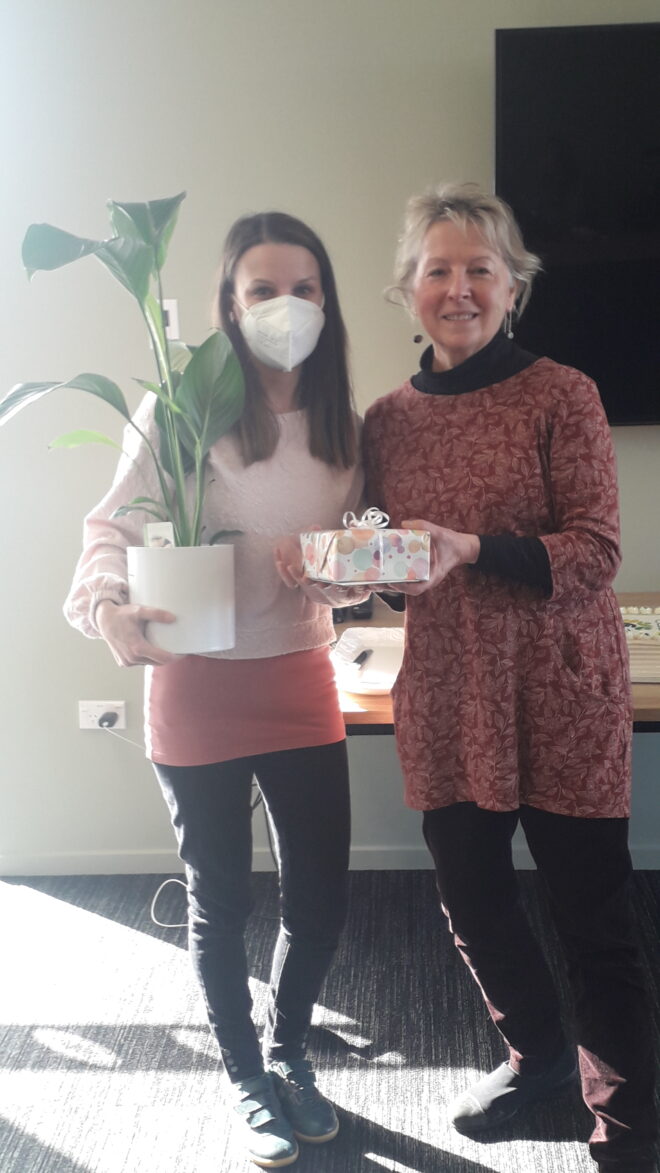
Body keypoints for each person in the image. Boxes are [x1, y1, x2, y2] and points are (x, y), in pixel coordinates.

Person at [362, 183, 658, 1173]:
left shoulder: (561, 394)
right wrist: (348, 571)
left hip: (560, 688)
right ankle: (536, 1062)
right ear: (407, 289)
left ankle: (625, 1127)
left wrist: (470, 545)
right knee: (473, 900)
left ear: (514, 285)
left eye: (480, 268)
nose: (459, 288)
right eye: (437, 270)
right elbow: (386, 558)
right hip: (447, 691)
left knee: (594, 921)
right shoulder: (385, 422)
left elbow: (595, 549)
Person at [64, 211, 366, 1170]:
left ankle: (289, 1052)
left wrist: (342, 577)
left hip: (301, 678)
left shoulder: (345, 426)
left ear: (330, 300)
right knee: (220, 900)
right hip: (195, 684)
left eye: (305, 287)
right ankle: (243, 1073)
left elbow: (360, 556)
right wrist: (107, 608)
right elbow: (108, 527)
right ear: (228, 309)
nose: (286, 306)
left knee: (318, 898)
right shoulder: (179, 413)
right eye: (262, 289)